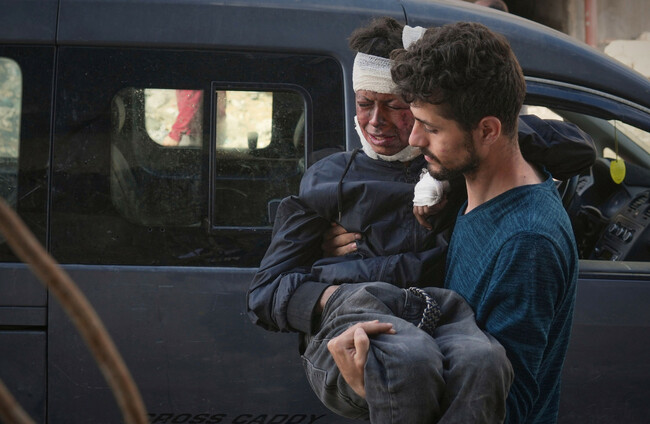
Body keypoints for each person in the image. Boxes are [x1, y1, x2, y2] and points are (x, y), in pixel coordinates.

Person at [247, 17, 593, 423]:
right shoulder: (333, 180)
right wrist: (335, 287)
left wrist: (378, 394)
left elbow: (558, 143)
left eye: (400, 109)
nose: (378, 121)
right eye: (364, 103)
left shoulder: (474, 182)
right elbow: (265, 292)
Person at [390, 21, 578, 423]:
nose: (414, 139)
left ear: (488, 130)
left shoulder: (527, 243)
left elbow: (501, 407)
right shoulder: (473, 189)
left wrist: (375, 387)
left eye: (432, 127)